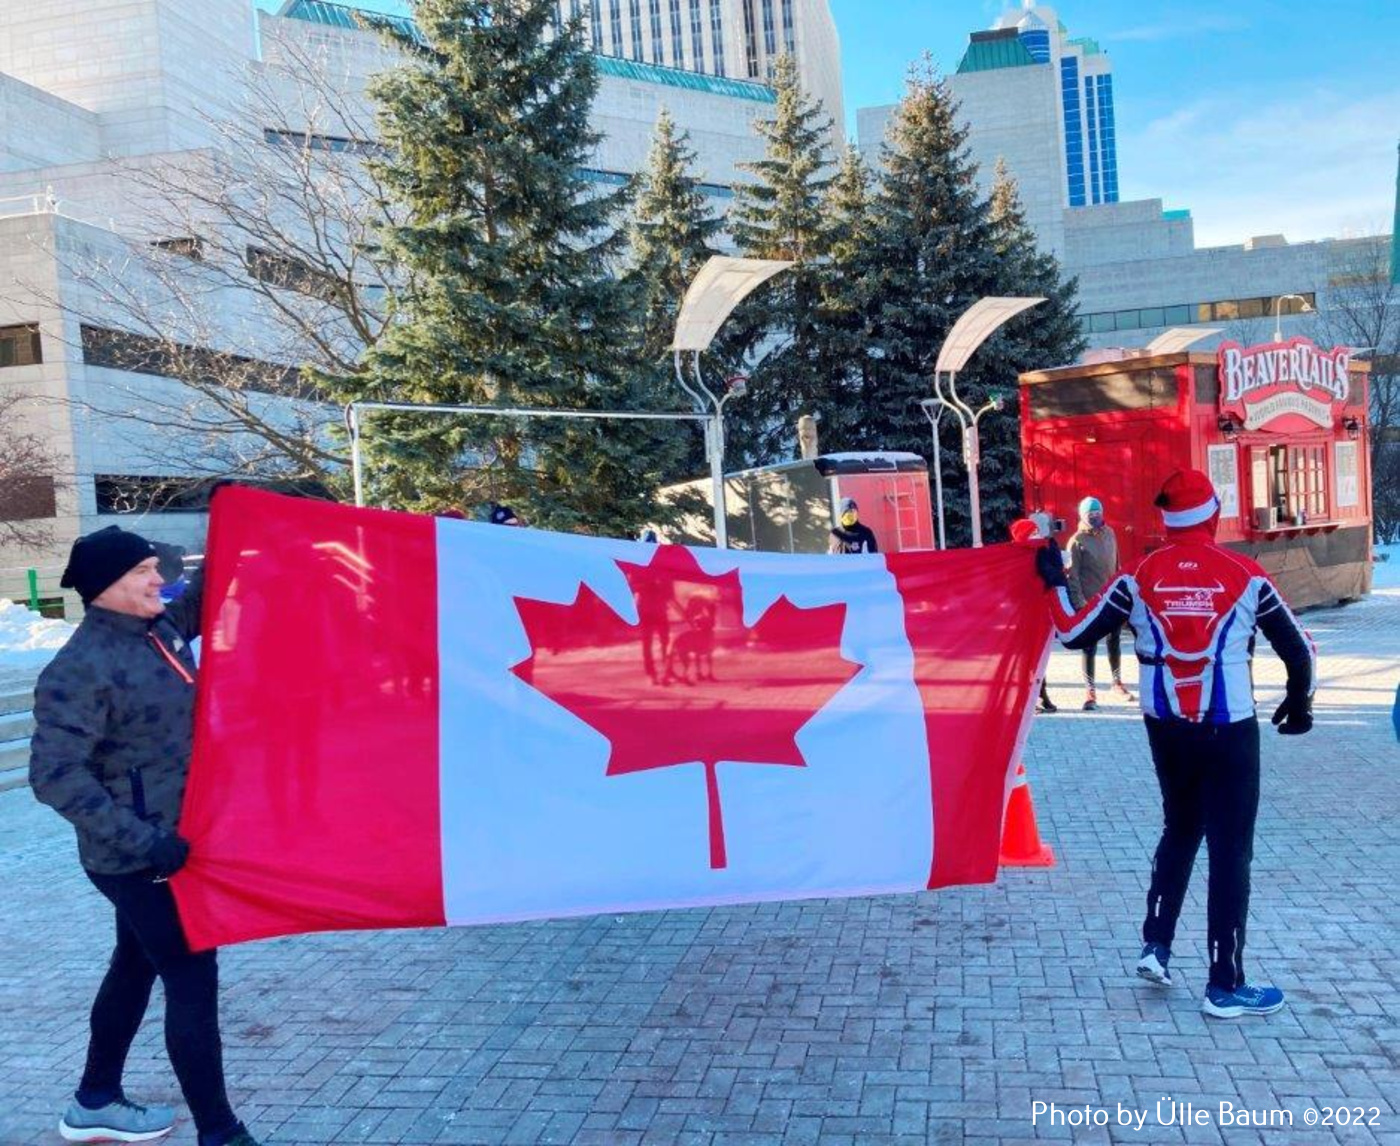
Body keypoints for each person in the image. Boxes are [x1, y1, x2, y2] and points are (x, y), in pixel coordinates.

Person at [1034, 469, 1315, 1019]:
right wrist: (1298, 703)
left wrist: (1049, 578)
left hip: (1164, 726)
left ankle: (1157, 947)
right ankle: (1224, 985)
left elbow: (1071, 632)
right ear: (1212, 513)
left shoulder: (1138, 576)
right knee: (1230, 849)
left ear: (1167, 519)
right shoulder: (1247, 574)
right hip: (1229, 727)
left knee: (1181, 826)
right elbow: (1298, 650)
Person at [29, 526, 260, 1145]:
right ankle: (221, 1132)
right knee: (190, 974)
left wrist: (235, 519)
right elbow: (53, 776)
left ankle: (94, 1101)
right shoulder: (79, 669)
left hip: (171, 840)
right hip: (137, 856)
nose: (161, 579)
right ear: (107, 587)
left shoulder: (156, 631)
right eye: (144, 573)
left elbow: (205, 591)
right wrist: (142, 841)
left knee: (135, 966)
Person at [1066, 496, 1134, 710]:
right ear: (1082, 516)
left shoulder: (1110, 533)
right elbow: (1072, 576)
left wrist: (1121, 592)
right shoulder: (1076, 541)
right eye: (1090, 514)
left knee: (1114, 640)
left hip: (1111, 598)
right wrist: (1079, 603)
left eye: (1097, 513)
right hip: (1089, 601)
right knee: (1090, 646)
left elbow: (1117, 564)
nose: (1094, 517)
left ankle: (1116, 681)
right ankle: (1090, 690)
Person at [1011, 517, 1058, 713]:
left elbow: (1053, 575)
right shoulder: (1015, 558)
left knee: (1041, 658)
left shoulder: (1041, 552)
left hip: (1041, 613)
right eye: (1032, 533)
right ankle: (1027, 697)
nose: (1037, 537)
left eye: (1037, 532)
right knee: (1026, 660)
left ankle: (1041, 693)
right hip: (1024, 616)